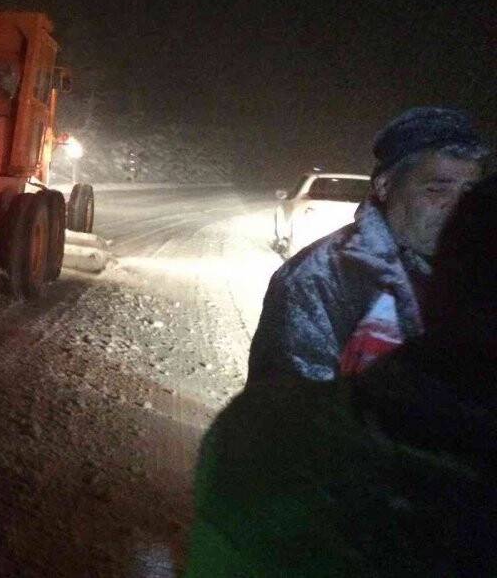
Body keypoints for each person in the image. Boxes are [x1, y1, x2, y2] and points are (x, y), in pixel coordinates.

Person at [185, 174, 497, 576]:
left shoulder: (261, 431)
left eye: (463, 192)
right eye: (436, 189)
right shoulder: (316, 276)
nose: (448, 204)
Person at [247, 107, 488, 383]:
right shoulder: (318, 279)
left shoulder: (480, 271)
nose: (458, 206)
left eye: (469, 192)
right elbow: (289, 412)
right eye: (436, 189)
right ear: (384, 186)